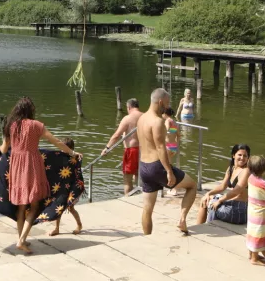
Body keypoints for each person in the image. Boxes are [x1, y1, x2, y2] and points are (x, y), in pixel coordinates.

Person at [0, 97, 80, 254]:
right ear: (31, 110)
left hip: (16, 167)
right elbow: (56, 142)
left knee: (21, 206)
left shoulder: (12, 126)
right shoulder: (36, 125)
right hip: (32, 166)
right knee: (35, 205)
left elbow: (3, 149)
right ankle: (21, 241)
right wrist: (72, 153)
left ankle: (21, 239)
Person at [137, 88, 198, 236]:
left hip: (144, 166)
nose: (168, 106)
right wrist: (169, 171)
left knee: (147, 208)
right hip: (157, 166)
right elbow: (160, 148)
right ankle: (182, 220)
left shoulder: (141, 119)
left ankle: (146, 238)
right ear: (160, 102)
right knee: (192, 186)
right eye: (167, 103)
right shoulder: (157, 122)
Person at [196, 144, 251, 225]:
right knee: (205, 198)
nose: (242, 158)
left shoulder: (246, 171)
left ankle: (204, 227)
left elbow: (236, 191)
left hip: (239, 211)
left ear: (248, 157)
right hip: (232, 205)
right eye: (239, 155)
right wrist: (208, 193)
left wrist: (220, 200)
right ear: (233, 155)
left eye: (245, 156)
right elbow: (222, 186)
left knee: (211, 202)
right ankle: (202, 226)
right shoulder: (231, 168)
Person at [100, 98, 142, 195]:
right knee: (139, 175)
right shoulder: (144, 116)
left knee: (127, 179)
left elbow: (116, 135)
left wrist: (107, 148)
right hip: (144, 149)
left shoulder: (127, 118)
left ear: (129, 107)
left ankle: (128, 198)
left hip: (131, 150)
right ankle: (140, 196)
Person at [49, 138, 84, 236]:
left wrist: (77, 154)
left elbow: (80, 159)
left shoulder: (75, 158)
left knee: (71, 208)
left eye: (64, 148)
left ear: (70, 149)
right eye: (61, 148)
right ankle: (56, 228)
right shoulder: (58, 157)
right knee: (58, 207)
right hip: (61, 186)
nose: (62, 150)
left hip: (72, 187)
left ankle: (79, 225)